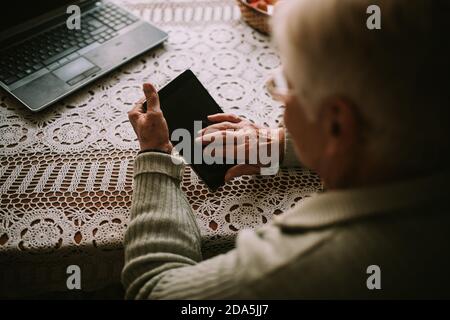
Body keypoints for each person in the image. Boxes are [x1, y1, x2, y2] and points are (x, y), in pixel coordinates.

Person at [122, 0, 450, 299]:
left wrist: (157, 156)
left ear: (337, 123)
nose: (281, 108)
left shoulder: (304, 260)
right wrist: (288, 144)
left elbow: (154, 290)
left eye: (286, 86)